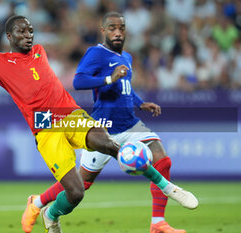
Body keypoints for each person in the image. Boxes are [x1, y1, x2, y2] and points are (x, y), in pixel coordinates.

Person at [0, 11, 197, 233]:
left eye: (30, 30)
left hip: (70, 115)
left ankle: (168, 188)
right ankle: (49, 214)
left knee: (111, 145)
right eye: (22, 31)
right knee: (76, 192)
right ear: (9, 36)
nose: (28, 35)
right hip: (45, 126)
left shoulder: (40, 50)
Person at [21, 12, 197, 233]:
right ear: (103, 30)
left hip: (130, 124)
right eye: (112, 28)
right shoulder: (96, 53)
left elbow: (126, 89)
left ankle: (157, 223)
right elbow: (79, 80)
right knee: (80, 184)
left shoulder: (127, 58)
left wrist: (141, 103)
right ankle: (40, 205)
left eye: (121, 28)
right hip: (104, 129)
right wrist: (108, 78)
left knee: (162, 159)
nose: (117, 32)